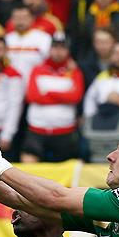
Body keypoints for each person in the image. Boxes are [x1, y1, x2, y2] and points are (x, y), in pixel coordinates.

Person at [22, 33, 84, 162]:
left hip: (64, 131)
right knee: (28, 165)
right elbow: (32, 96)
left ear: (68, 50)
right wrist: (63, 96)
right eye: (55, 47)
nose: (58, 51)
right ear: (50, 49)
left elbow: (75, 96)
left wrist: (48, 93)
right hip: (37, 129)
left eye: (63, 48)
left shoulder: (74, 71)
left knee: (65, 169)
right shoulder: (37, 69)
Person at [5, 4, 52, 84]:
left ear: (32, 19)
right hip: (11, 86)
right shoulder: (6, 39)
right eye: (17, 18)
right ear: (11, 20)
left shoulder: (44, 38)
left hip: (34, 85)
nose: (20, 21)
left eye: (24, 18)